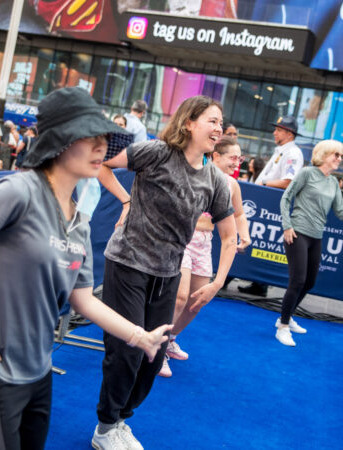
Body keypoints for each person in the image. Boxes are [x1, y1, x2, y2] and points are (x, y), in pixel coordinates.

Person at [0, 87, 170, 449]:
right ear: (60, 141)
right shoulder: (19, 191)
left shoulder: (80, 222)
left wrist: (141, 337)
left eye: (105, 139)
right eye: (90, 138)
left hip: (37, 373)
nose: (101, 148)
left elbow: (85, 301)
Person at [92, 95, 238, 449]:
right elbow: (99, 163)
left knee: (154, 354)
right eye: (212, 120)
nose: (218, 128)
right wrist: (126, 201)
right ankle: (104, 428)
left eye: (221, 123)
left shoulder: (215, 181)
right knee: (126, 350)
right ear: (189, 122)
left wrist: (218, 282)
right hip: (127, 262)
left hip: (167, 273)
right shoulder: (155, 153)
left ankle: (122, 421)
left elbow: (229, 235)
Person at [159, 136, 251, 377]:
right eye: (233, 157)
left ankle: (169, 340)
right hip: (184, 241)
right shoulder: (197, 173)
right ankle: (156, 349)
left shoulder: (232, 185)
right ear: (216, 155)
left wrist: (244, 234)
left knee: (197, 301)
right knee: (179, 297)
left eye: (239, 158)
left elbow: (239, 214)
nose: (237, 162)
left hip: (205, 244)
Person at [276, 140, 343, 346]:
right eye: (336, 155)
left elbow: (341, 212)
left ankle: (287, 316)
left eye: (341, 156)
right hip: (297, 233)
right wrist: (287, 226)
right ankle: (282, 327)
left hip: (316, 237)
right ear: (324, 155)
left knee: (309, 282)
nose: (339, 159)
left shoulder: (333, 182)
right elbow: (286, 198)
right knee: (297, 281)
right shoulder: (307, 173)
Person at [240, 116, 304, 297]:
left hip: (270, 203)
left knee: (257, 240)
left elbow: (288, 181)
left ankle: (256, 282)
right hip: (264, 200)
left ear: (289, 133)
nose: (274, 132)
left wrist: (263, 184)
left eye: (279, 129)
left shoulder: (293, 153)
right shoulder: (282, 151)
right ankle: (255, 282)